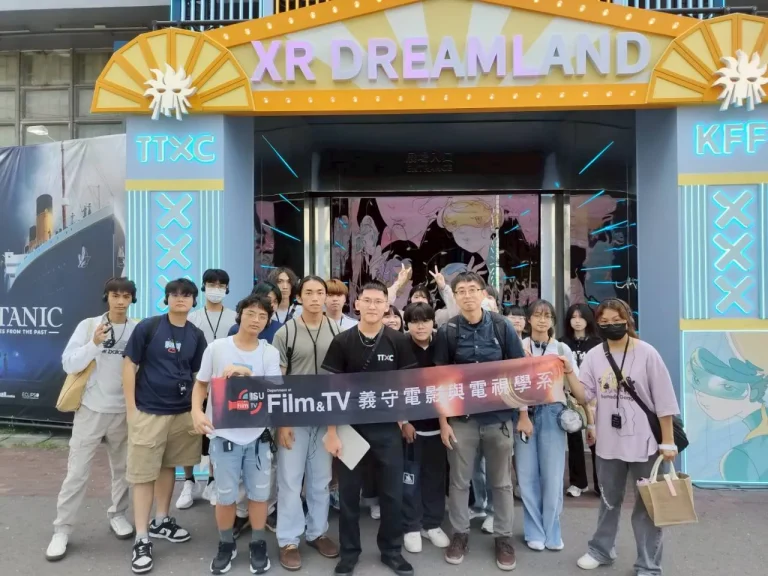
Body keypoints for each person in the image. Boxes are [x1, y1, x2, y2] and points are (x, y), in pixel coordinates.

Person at [565, 299, 680, 575]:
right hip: (609, 444)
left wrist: (667, 442)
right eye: (604, 322)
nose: (611, 326)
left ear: (628, 320)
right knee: (608, 501)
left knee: (648, 506)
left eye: (617, 320)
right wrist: (568, 371)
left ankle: (648, 565)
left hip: (646, 445)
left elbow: (664, 401)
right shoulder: (594, 356)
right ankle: (601, 550)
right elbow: (585, 395)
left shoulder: (647, 353)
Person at [321, 280, 419, 576]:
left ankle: (392, 551)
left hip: (387, 429)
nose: (373, 306)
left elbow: (406, 386)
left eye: (379, 301)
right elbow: (332, 389)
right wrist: (332, 432)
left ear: (387, 306)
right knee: (350, 496)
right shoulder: (343, 341)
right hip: (351, 429)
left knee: (392, 494)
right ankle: (349, 553)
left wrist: (404, 421)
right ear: (358, 304)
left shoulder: (398, 341)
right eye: (368, 300)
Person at [433, 271, 524, 571]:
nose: (467, 295)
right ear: (455, 296)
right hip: (462, 420)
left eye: (473, 289)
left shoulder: (501, 327)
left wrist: (522, 415)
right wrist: (444, 422)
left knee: (502, 482)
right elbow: (440, 379)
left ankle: (503, 537)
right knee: (459, 482)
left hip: (499, 419)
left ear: (484, 294)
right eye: (461, 290)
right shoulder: (448, 331)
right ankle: (459, 534)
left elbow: (519, 372)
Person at [46, 277, 139, 562]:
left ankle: (118, 514)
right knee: (77, 473)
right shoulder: (88, 326)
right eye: (115, 295)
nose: (120, 301)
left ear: (132, 299)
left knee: (123, 470)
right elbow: (69, 363)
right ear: (106, 297)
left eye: (125, 296)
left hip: (123, 411)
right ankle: (62, 530)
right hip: (90, 410)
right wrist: (94, 344)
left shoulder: (137, 329)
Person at [122, 278, 208, 574]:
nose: (180, 298)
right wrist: (131, 409)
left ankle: (161, 521)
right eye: (174, 294)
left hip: (182, 413)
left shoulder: (196, 335)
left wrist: (197, 410)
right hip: (149, 411)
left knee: (169, 466)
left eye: (186, 295)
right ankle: (142, 537)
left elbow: (199, 376)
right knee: (143, 474)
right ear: (166, 298)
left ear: (194, 300)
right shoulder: (149, 327)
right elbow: (129, 365)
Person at [191, 293, 281, 575]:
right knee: (225, 496)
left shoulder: (269, 352)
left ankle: (258, 543)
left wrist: (246, 372)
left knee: (259, 495)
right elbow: (201, 384)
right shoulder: (217, 348)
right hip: (224, 436)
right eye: (251, 313)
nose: (256, 320)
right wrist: (196, 411)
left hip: (258, 436)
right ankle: (226, 544)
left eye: (262, 316)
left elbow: (275, 389)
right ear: (240, 315)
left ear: (268, 322)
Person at [273, 276, 341, 570]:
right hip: (294, 418)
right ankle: (288, 540)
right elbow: (277, 380)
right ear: (299, 297)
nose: (315, 298)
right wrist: (282, 422)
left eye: (320, 292)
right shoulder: (286, 332)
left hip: (325, 418)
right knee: (290, 480)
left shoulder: (336, 330)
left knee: (321, 479)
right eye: (309, 292)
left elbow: (341, 376)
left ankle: (317, 532)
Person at [514, 299, 578, 552]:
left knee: (552, 476)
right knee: (527, 475)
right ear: (528, 319)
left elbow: (577, 388)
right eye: (537, 315)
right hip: (525, 414)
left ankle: (552, 530)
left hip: (553, 413)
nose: (542, 320)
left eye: (547, 316)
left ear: (553, 321)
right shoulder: (518, 346)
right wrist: (522, 414)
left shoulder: (562, 349)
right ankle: (534, 531)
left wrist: (569, 370)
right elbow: (512, 385)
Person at [183, 269, 238, 510]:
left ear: (227, 288)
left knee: (218, 434)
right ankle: (189, 481)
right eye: (211, 284)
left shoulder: (236, 317)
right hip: (196, 383)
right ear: (204, 287)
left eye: (221, 285)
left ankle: (213, 481)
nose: (216, 288)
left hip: (225, 386)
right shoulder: (192, 317)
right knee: (190, 435)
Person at [400, 303, 450, 554]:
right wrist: (403, 421)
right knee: (410, 477)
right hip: (410, 427)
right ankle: (411, 525)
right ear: (407, 324)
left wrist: (446, 422)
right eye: (414, 321)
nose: (420, 326)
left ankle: (432, 523)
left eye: (425, 321)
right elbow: (393, 386)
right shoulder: (401, 346)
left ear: (433, 322)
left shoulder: (442, 344)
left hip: (438, 425)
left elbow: (450, 382)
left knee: (435, 477)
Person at [561, 303, 602, 498]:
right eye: (573, 317)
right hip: (571, 397)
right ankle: (578, 483)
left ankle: (600, 483)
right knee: (574, 438)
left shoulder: (598, 343)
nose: (577, 321)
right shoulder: (562, 343)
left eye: (581, 317)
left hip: (594, 397)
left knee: (596, 440)